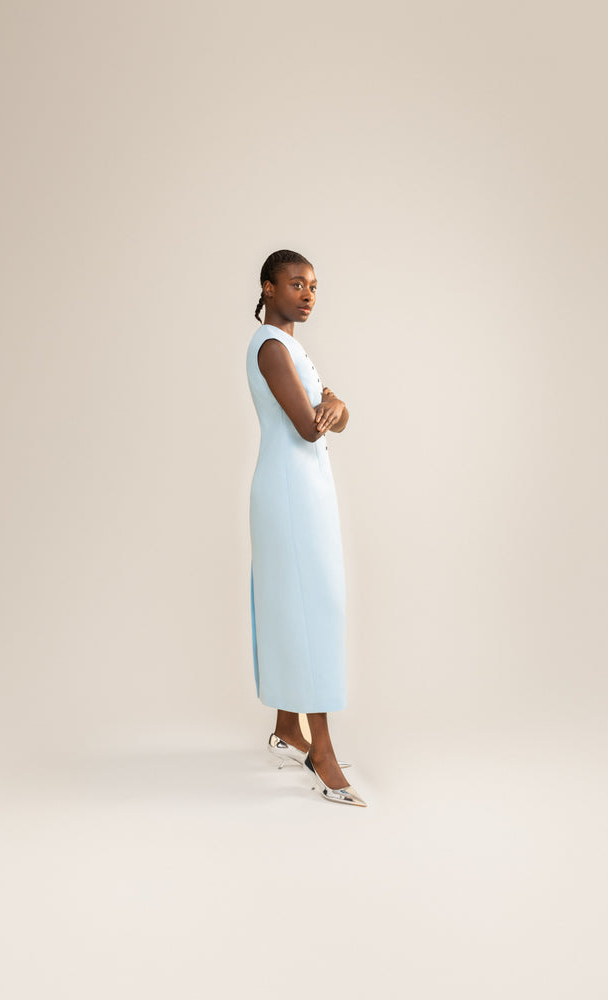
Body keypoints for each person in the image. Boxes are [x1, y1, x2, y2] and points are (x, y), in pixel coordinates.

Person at [246, 249, 367, 807]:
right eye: (296, 284)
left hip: (305, 490)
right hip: (290, 492)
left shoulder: (292, 348)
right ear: (268, 288)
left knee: (300, 605)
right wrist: (330, 406)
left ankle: (286, 730)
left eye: (313, 286)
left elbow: (337, 415)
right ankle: (322, 751)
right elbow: (310, 425)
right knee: (311, 607)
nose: (308, 295)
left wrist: (336, 405)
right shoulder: (272, 347)